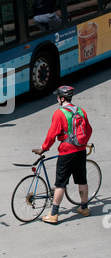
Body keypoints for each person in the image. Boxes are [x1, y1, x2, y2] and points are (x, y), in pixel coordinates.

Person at [32, 86, 92, 224]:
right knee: (82, 180)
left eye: (58, 97)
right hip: (80, 151)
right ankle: (84, 208)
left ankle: (54, 214)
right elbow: (89, 130)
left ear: (62, 98)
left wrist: (44, 148)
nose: (57, 99)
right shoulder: (81, 111)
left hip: (67, 152)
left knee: (60, 184)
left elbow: (52, 134)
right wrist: (82, 143)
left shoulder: (59, 113)